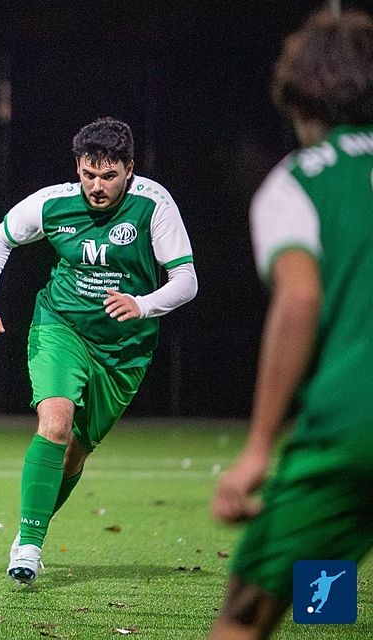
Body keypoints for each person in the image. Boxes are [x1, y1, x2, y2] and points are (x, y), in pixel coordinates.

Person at [0, 117, 197, 584]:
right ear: (78, 166)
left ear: (129, 170)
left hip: (125, 350)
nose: (97, 186)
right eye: (89, 174)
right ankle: (30, 544)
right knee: (55, 421)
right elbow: (0, 239)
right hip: (61, 326)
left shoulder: (152, 206)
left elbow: (187, 281)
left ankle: (32, 526)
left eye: (108, 176)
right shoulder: (54, 203)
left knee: (74, 453)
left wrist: (142, 303)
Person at [209, 9, 373, 638]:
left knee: (247, 613)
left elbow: (300, 299)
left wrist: (258, 449)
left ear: (297, 92)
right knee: (325, 595)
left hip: (353, 431)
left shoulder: (300, 182)